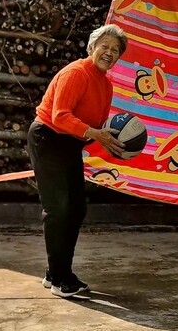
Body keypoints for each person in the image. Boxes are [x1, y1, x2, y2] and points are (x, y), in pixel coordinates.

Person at [27, 24, 127, 298]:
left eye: (115, 50)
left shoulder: (106, 84)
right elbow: (60, 116)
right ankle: (60, 279)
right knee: (58, 208)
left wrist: (115, 142)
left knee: (76, 209)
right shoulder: (76, 73)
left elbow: (97, 126)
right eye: (104, 46)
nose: (109, 52)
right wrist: (95, 134)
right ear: (92, 47)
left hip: (70, 143)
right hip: (48, 138)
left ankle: (57, 273)